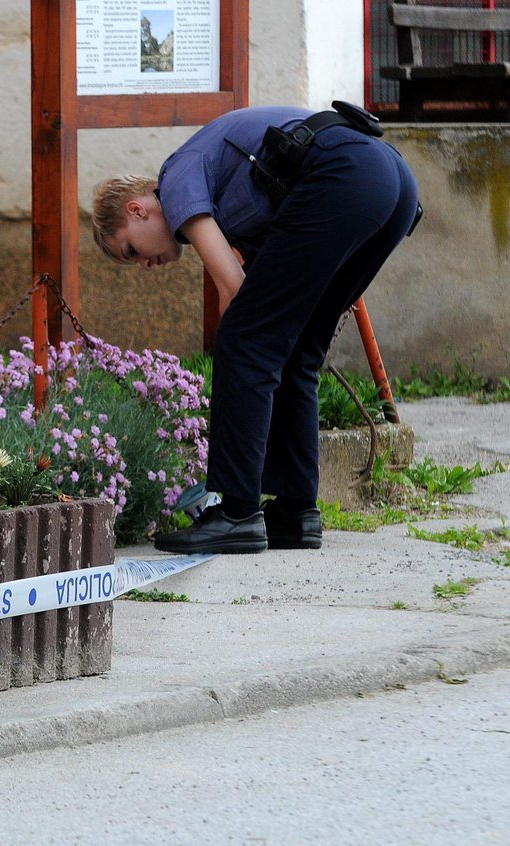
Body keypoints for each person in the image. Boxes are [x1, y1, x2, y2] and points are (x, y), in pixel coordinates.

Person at [92, 104, 420, 554]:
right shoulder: (220, 196)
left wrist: (238, 351)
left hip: (346, 175)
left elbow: (233, 287)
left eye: (132, 251)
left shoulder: (176, 178)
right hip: (391, 183)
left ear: (137, 210)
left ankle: (236, 513)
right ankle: (294, 513)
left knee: (246, 341)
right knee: (297, 349)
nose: (145, 265)